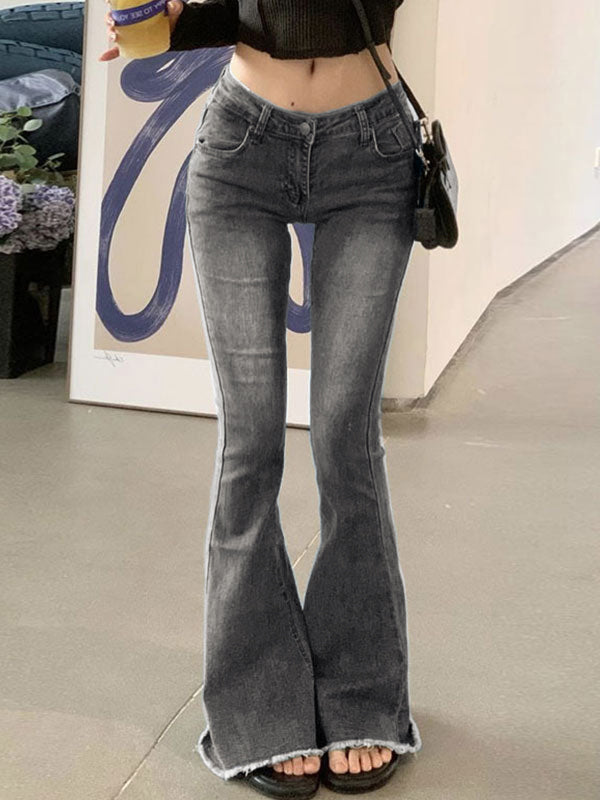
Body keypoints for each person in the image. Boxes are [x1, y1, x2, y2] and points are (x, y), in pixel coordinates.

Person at [100, 2, 423, 797]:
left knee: (346, 438)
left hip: (370, 149)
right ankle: (261, 705)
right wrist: (176, 22)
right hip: (243, 144)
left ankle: (362, 695)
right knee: (249, 442)